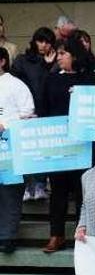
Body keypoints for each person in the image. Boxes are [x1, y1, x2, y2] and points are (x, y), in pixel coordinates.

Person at [41, 37, 95, 253]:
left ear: (75, 55)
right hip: (60, 146)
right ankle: (56, 235)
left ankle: (84, 234)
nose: (58, 57)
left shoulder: (94, 79)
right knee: (58, 190)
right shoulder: (51, 80)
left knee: (84, 191)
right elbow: (43, 112)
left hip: (86, 146)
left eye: (62, 54)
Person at [11, 27, 56, 201]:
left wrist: (48, 65)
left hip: (46, 111)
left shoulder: (55, 60)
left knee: (44, 150)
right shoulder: (22, 60)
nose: (43, 45)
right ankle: (28, 187)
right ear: (34, 41)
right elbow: (15, 85)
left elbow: (50, 85)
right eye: (40, 41)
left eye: (47, 41)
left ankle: (40, 185)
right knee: (27, 150)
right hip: (26, 112)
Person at [0, 47, 34, 253]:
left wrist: (6, 125)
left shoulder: (16, 85)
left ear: (2, 61)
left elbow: (28, 115)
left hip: (9, 149)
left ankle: (7, 237)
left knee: (9, 194)